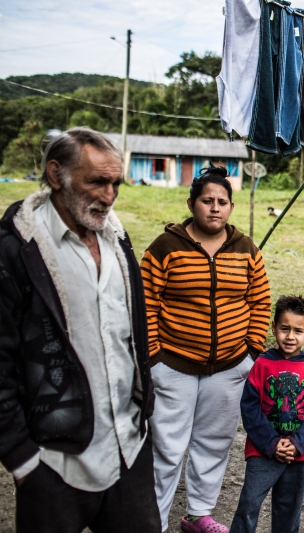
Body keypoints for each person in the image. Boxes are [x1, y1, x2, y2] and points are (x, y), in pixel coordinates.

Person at [0, 127, 159, 533]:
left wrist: (144, 410)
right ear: (56, 175)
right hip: (55, 459)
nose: (108, 196)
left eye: (115, 184)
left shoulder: (116, 240)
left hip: (128, 445)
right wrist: (22, 459)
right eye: (96, 182)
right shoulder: (18, 250)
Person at [141, 166, 271, 533]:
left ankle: (198, 514)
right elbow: (145, 302)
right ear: (192, 203)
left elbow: (260, 301)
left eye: (222, 202)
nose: (215, 208)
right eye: (207, 201)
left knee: (213, 443)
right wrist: (153, 357)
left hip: (229, 366)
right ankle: (154, 522)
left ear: (231, 206)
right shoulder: (165, 247)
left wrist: (250, 351)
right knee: (166, 448)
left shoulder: (246, 249)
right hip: (172, 364)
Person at [230, 295, 304, 533]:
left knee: (288, 508)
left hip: (297, 454)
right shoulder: (262, 364)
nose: (290, 336)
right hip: (263, 451)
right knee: (249, 504)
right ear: (274, 328)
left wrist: (298, 444)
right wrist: (272, 444)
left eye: (298, 330)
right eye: (284, 329)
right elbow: (249, 408)